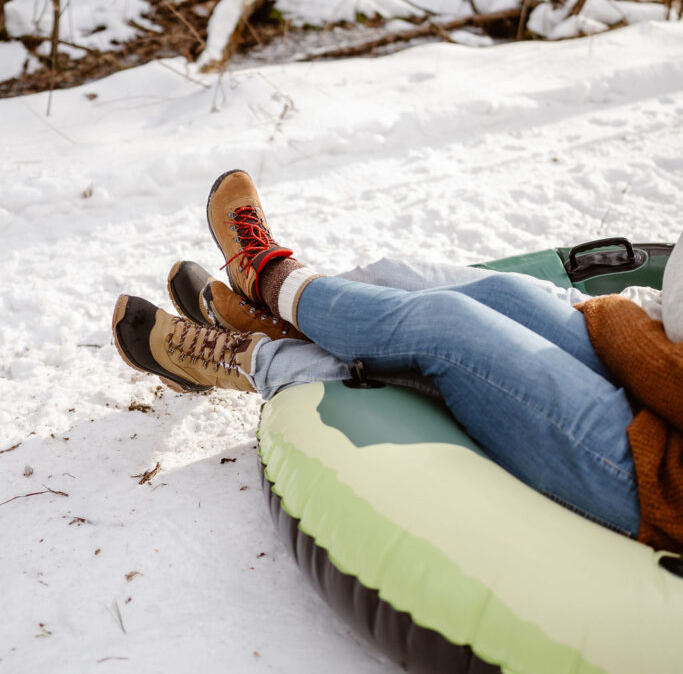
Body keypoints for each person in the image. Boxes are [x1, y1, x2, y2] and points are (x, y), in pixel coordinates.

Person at [113, 170, 683, 554]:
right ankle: (272, 313)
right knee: (404, 278)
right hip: (652, 355)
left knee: (449, 332)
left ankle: (256, 313)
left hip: (659, 468)